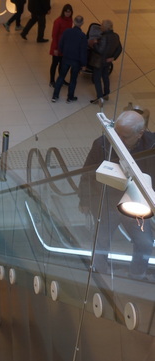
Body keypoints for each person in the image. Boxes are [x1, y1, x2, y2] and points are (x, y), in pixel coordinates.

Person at [78, 110, 155, 278]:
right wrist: (84, 200)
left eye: (124, 136)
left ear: (140, 134)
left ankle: (137, 275)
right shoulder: (103, 144)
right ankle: (100, 275)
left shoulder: (152, 145)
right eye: (115, 133)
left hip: (137, 203)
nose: (117, 140)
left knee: (145, 242)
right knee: (101, 241)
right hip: (107, 202)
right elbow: (87, 173)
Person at [51, 15, 87, 103]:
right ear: (82, 23)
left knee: (61, 77)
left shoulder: (67, 31)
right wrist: (84, 64)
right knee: (73, 79)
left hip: (66, 58)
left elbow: (61, 44)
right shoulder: (82, 36)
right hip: (76, 61)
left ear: (73, 22)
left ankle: (55, 96)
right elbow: (83, 51)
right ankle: (70, 97)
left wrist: (63, 52)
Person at [89, 20, 122, 104]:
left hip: (99, 62)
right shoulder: (116, 36)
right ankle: (106, 94)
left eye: (102, 25)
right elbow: (119, 48)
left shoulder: (104, 37)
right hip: (108, 61)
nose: (100, 27)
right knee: (105, 77)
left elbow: (100, 50)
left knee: (97, 79)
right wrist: (113, 57)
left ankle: (99, 98)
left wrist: (95, 43)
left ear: (106, 27)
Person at [49, 4, 73, 87]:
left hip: (65, 47)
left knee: (62, 64)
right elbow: (54, 35)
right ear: (63, 12)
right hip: (57, 46)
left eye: (69, 12)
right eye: (66, 12)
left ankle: (61, 79)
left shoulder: (70, 20)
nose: (67, 14)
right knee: (54, 64)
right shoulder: (58, 21)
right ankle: (52, 80)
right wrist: (55, 48)